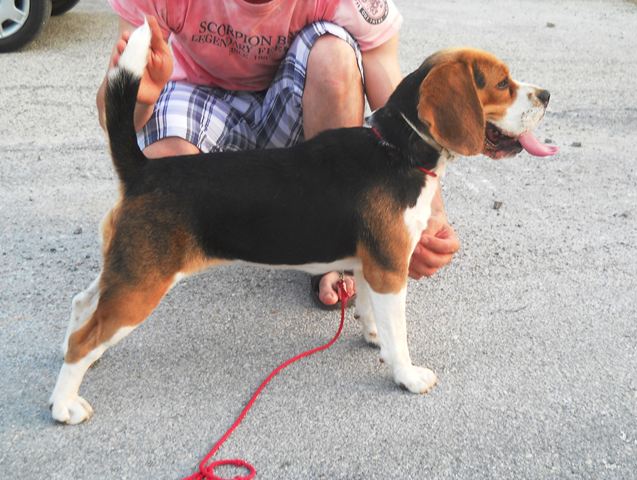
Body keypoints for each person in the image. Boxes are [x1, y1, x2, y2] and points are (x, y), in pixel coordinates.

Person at [96, 0, 460, 308]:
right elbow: (111, 114)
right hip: (200, 93)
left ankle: (332, 246)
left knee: (336, 56)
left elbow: (394, 95)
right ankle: (209, 236)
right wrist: (141, 96)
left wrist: (429, 213)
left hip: (293, 104)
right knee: (163, 165)